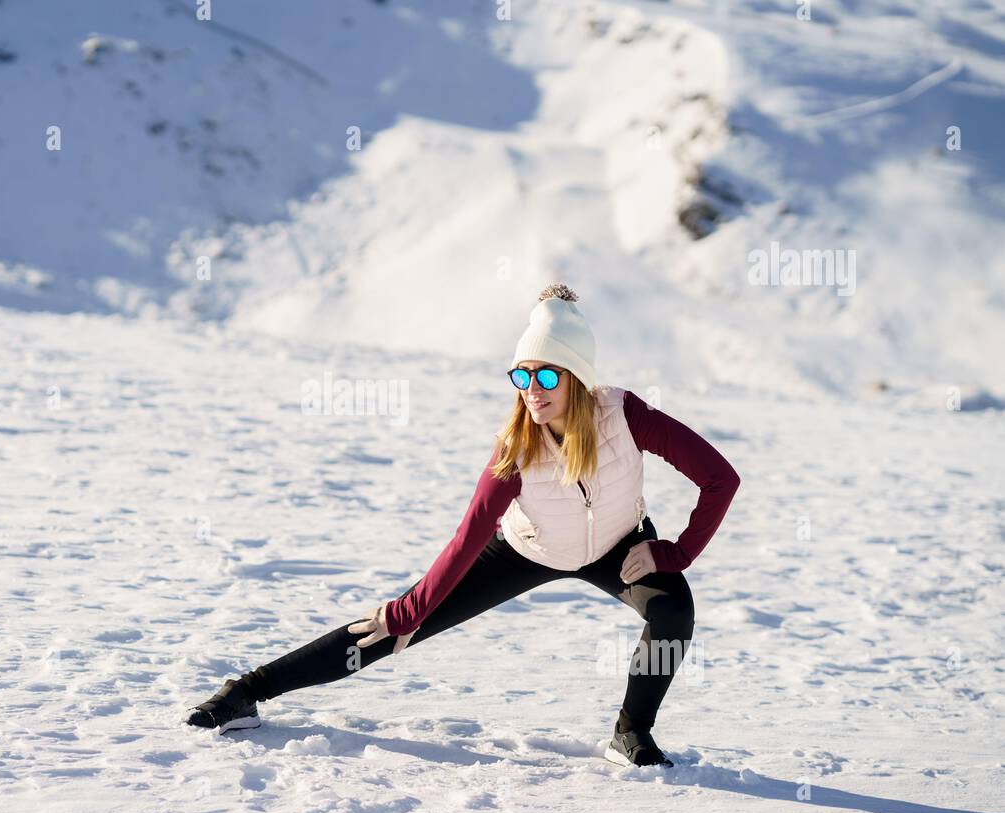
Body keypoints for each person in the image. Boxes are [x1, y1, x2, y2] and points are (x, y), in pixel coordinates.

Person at [185, 284, 740, 768]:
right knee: (395, 629)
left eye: (547, 373)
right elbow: (469, 534)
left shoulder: (626, 415)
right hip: (531, 548)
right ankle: (247, 691)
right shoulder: (516, 447)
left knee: (672, 609)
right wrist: (411, 610)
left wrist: (674, 554)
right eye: (522, 373)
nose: (532, 387)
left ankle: (631, 732)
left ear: (577, 377)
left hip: (620, 545)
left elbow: (720, 478)